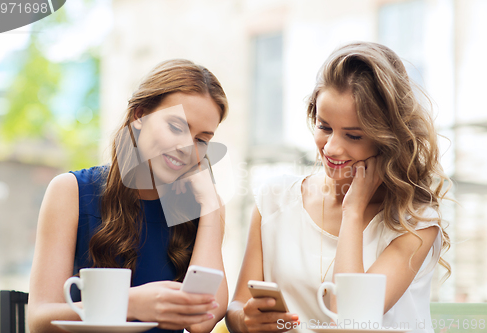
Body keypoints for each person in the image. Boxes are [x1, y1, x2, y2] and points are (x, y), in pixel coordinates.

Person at [226, 42, 451, 333]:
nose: (331, 148)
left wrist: (353, 211)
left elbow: (351, 319)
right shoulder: (275, 198)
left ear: (387, 140)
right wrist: (246, 321)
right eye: (324, 127)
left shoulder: (416, 223)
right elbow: (235, 309)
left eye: (353, 136)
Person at [28, 59, 229, 333]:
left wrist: (210, 210)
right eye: (176, 127)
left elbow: (202, 321)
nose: (186, 147)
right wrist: (129, 305)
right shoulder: (70, 191)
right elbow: (39, 319)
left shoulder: (202, 208)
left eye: (202, 140)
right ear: (139, 117)